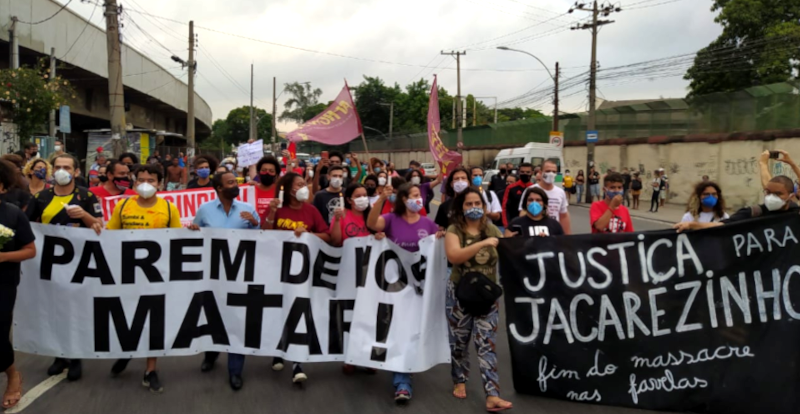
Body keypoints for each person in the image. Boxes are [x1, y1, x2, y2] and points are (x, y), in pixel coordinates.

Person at [104, 164, 181, 393]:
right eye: (141, 179)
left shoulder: (169, 209)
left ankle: (150, 370)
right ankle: (128, 351)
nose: (146, 184)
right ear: (134, 182)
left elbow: (177, 240)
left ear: (160, 183)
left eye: (152, 180)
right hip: (127, 275)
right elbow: (110, 236)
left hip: (157, 277)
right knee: (128, 320)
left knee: (154, 322)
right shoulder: (123, 206)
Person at [26, 154, 103, 382]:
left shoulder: (87, 196)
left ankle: (76, 356)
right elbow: (26, 225)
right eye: (58, 167)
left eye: (66, 167)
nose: (62, 170)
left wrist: (85, 216)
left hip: (79, 263)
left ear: (76, 172)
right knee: (54, 311)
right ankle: (58, 356)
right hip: (49, 264)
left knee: (76, 311)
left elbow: (100, 227)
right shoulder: (41, 197)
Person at [367, 182, 439, 403]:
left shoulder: (429, 224)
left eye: (420, 196)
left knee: (411, 332)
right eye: (415, 195)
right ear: (404, 199)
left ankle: (405, 370)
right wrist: (380, 200)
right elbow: (372, 224)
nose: (419, 199)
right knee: (398, 331)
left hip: (418, 290)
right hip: (394, 288)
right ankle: (402, 382)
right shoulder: (390, 220)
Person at [444, 187, 512, 412]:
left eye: (477, 204)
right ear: (461, 208)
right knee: (459, 342)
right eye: (468, 204)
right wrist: (482, 244)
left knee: (486, 344)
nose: (474, 208)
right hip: (460, 294)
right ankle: (459, 378)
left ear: (484, 207)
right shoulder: (454, 230)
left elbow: (508, 248)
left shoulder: (491, 228)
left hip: (487, 295)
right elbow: (454, 256)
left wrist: (534, 241)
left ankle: (492, 395)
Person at [189, 171, 258, 391]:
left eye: (235, 182)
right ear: (219, 188)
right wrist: (193, 230)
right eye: (230, 183)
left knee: (237, 318)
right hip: (213, 274)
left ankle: (235, 370)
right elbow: (195, 231)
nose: (235, 185)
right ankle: (211, 354)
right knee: (213, 315)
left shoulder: (247, 209)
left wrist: (255, 223)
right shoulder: (205, 210)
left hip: (240, 274)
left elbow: (263, 238)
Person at [262, 172, 330, 384]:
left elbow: (326, 235)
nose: (305, 188)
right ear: (288, 189)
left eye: (305, 184)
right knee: (279, 310)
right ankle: (279, 349)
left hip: (302, 272)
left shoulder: (311, 211)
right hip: (277, 270)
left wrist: (308, 235)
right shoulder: (277, 208)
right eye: (300, 184)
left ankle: (297, 363)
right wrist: (271, 214)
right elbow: (263, 234)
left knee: (299, 311)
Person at [0, 159, 36, 411]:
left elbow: (30, 251)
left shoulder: (13, 214)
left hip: (2, 285)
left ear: (3, 187)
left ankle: (12, 374)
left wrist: (2, 256)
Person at [676, 175, 798, 233]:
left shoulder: (795, 213)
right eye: (768, 192)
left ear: (791, 196)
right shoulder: (753, 213)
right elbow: (723, 225)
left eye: (778, 194)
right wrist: (693, 225)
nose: (772, 197)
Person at [520, 159, 572, 234]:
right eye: (548, 171)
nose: (551, 174)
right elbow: (523, 212)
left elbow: (563, 216)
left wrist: (567, 237)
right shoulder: (530, 190)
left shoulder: (560, 192)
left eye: (554, 172)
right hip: (534, 231)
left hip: (553, 232)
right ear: (541, 173)